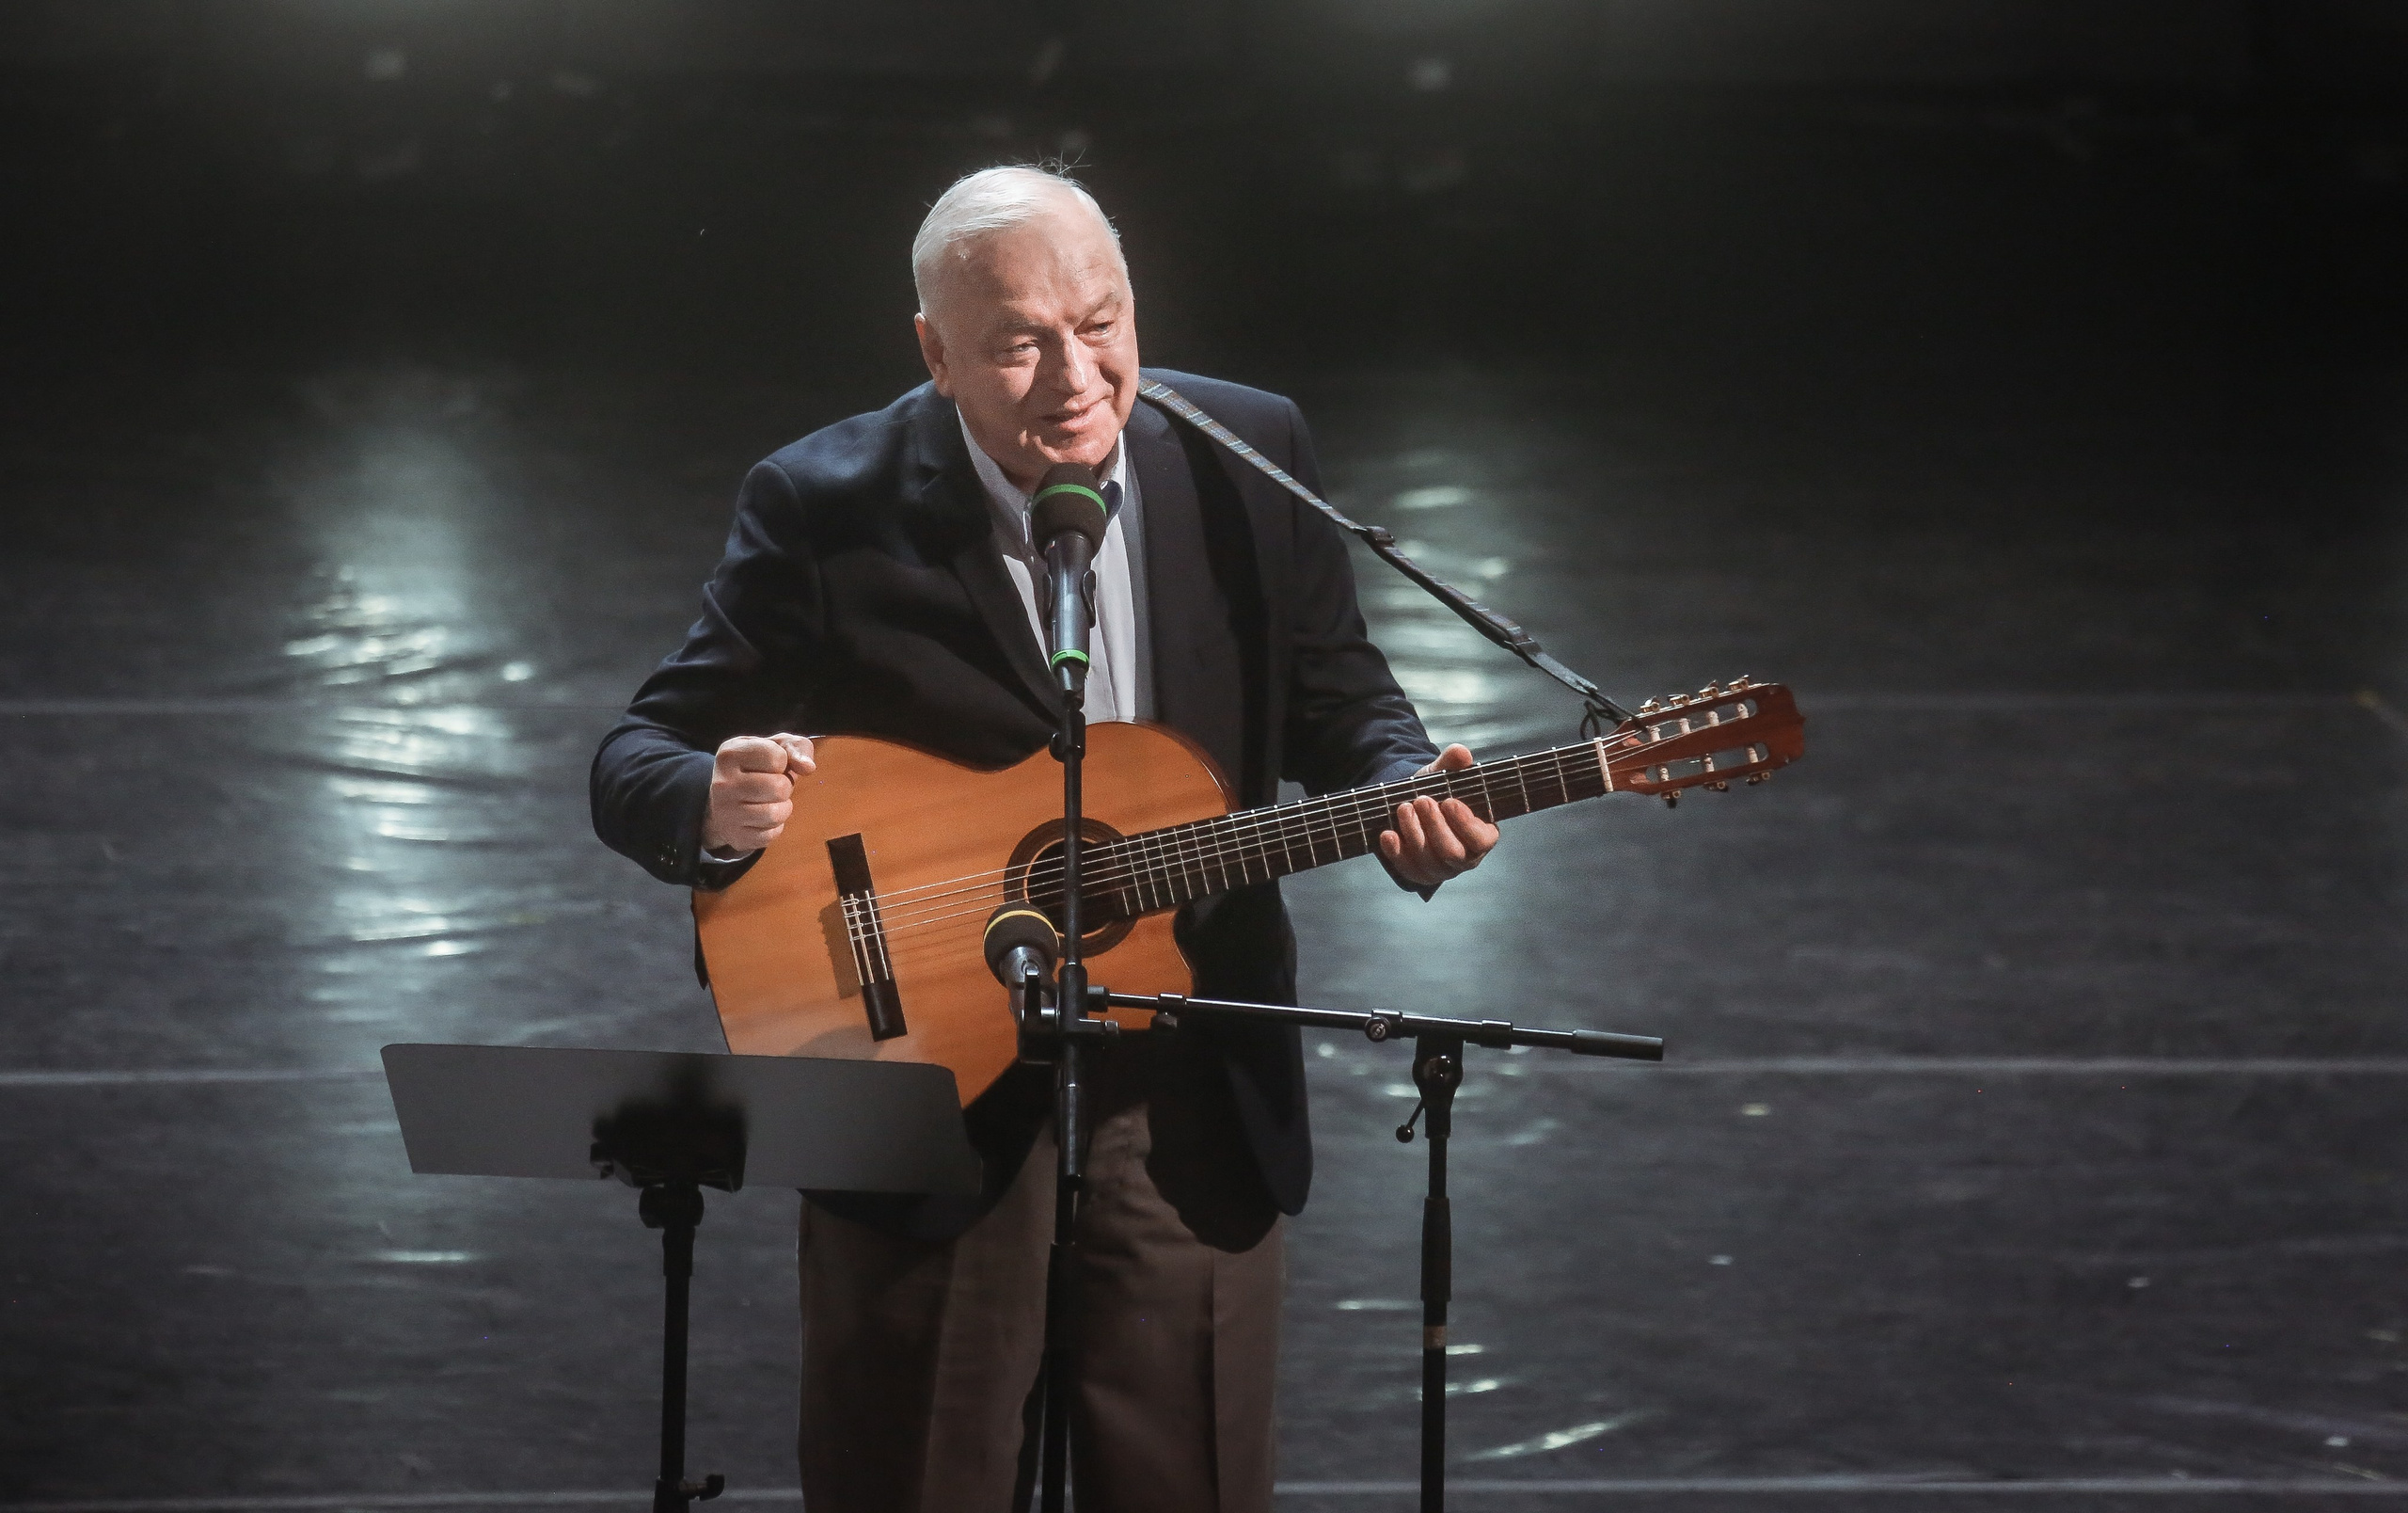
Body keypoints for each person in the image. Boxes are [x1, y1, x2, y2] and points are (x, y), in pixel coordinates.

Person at [591, 165, 1498, 1513]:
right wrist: (711, 803)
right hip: (922, 1095)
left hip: (1188, 1092)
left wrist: (1400, 780)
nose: (1077, 378)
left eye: (1102, 324)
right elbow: (638, 756)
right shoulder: (824, 504)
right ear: (935, 353)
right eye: (1020, 344)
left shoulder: (1249, 455)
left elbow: (1338, 693)